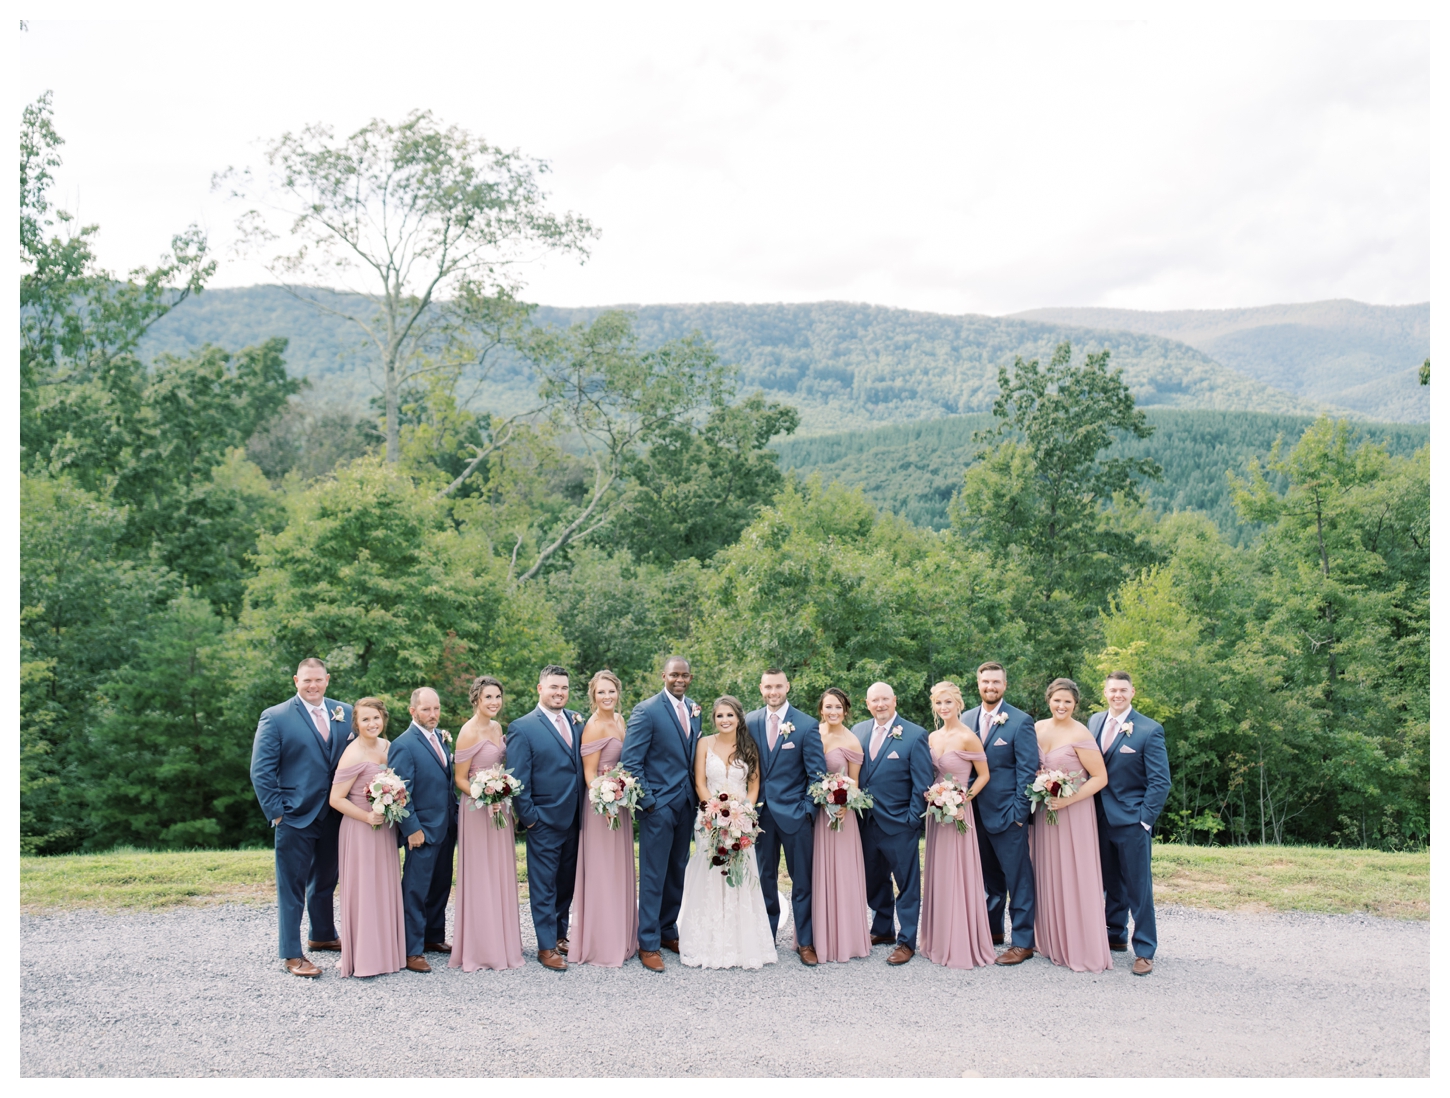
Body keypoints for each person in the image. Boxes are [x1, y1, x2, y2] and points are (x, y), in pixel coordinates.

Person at [249, 657, 352, 977]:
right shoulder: (276, 717)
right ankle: (292, 953)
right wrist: (277, 814)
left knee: (325, 879)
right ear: (296, 680)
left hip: (335, 813)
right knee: (291, 886)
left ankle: (321, 935)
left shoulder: (345, 713)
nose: (313, 685)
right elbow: (261, 771)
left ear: (327, 679)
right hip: (294, 816)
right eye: (307, 680)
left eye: (318, 680)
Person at [677, 696, 778, 969]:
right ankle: (709, 940)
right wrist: (715, 812)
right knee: (711, 873)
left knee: (741, 875)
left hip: (741, 820)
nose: (725, 720)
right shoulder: (704, 744)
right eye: (720, 716)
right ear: (714, 718)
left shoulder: (748, 745)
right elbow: (699, 782)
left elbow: (754, 785)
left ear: (738, 718)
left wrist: (742, 813)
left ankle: (741, 941)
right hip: (709, 819)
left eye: (730, 716)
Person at [620, 656, 703, 973]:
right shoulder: (647, 710)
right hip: (657, 807)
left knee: (676, 872)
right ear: (663, 676)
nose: (679, 679)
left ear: (690, 678)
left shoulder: (695, 709)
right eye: (674, 675)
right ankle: (649, 942)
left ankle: (668, 930)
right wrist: (649, 801)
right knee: (653, 876)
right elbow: (631, 762)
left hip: (686, 804)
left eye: (684, 675)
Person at [1087, 671, 1171, 976]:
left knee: (1138, 886)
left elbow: (1160, 782)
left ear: (1133, 692)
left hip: (1132, 820)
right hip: (1098, 818)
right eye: (1112, 690)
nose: (1117, 695)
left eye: (1123, 690)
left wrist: (1145, 821)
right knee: (1110, 882)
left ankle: (1145, 948)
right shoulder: (1094, 722)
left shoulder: (1150, 730)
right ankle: (1116, 935)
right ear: (1105, 692)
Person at [744, 668, 828, 964]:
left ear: (787, 686)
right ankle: (767, 938)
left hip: (795, 816)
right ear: (761, 688)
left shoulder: (805, 725)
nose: (773, 692)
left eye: (778, 686)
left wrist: (807, 809)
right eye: (768, 686)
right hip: (760, 817)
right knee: (764, 878)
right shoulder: (749, 722)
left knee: (801, 880)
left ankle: (805, 941)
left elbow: (817, 775)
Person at [505, 665, 585, 971]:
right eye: (554, 687)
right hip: (544, 822)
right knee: (543, 885)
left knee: (566, 883)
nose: (559, 693)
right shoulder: (522, 727)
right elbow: (517, 779)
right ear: (540, 689)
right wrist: (532, 819)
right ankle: (545, 945)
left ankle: (561, 935)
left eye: (564, 688)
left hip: (575, 819)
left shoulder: (578, 721)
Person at [1030, 677, 1111, 973]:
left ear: (1075, 704)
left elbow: (1100, 778)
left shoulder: (1081, 733)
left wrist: (1069, 799)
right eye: (1057, 700)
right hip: (1044, 811)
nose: (1061, 705)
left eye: (1067, 701)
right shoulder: (1037, 728)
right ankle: (1050, 940)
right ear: (1048, 700)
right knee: (1047, 871)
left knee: (1075, 873)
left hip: (1072, 812)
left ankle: (1081, 944)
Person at [964, 661, 1039, 965]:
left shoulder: (1021, 722)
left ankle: (1023, 942)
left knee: (1018, 879)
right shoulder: (965, 718)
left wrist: (1019, 813)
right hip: (973, 815)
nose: (990, 687)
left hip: (1008, 814)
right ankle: (993, 931)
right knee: (988, 879)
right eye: (985, 682)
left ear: (1005, 685)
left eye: (996, 682)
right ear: (978, 684)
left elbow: (1027, 772)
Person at [852, 681, 932, 965]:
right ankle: (883, 928)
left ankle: (906, 941)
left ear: (894, 700)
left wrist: (912, 820)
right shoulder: (857, 731)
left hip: (900, 824)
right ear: (867, 703)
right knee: (874, 881)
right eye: (875, 700)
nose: (880, 705)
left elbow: (922, 783)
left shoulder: (914, 734)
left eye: (885, 699)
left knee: (907, 885)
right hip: (866, 823)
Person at [449, 675, 525, 972]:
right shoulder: (468, 732)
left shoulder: (497, 728)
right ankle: (481, 948)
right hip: (477, 810)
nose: (494, 702)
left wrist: (501, 794)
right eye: (488, 697)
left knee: (500, 872)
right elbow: (459, 779)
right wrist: (485, 794)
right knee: (481, 874)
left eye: (497, 697)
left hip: (500, 807)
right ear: (476, 700)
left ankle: (503, 942)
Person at [918, 681, 995, 970]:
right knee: (939, 872)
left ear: (959, 704)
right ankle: (938, 939)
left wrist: (963, 801)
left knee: (959, 872)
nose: (943, 707)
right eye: (938, 703)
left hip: (960, 813)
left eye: (948, 702)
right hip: (938, 814)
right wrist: (935, 798)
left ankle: (962, 940)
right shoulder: (932, 737)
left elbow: (984, 775)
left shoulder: (968, 737)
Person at [329, 697, 407, 978]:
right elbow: (335, 799)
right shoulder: (353, 753)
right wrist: (366, 817)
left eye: (376, 718)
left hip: (384, 830)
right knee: (364, 891)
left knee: (384, 888)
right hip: (361, 830)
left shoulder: (388, 747)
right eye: (365, 719)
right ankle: (363, 956)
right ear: (357, 723)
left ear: (383, 719)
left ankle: (386, 953)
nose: (371, 723)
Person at [570, 669, 639, 967]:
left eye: (611, 691)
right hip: (601, 806)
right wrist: (604, 797)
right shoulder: (594, 726)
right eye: (601, 692)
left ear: (618, 692)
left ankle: (621, 937)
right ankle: (600, 943)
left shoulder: (621, 721)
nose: (607, 696)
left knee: (619, 868)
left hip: (620, 802)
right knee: (601, 870)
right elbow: (589, 774)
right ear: (593, 696)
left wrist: (621, 793)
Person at [389, 687, 458, 974]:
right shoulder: (404, 744)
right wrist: (411, 829)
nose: (433, 714)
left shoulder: (440, 739)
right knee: (416, 889)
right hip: (422, 830)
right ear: (412, 710)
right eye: (427, 709)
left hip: (446, 827)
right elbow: (400, 792)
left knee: (441, 885)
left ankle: (433, 937)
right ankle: (411, 949)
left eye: (436, 709)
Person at [810, 687, 871, 963]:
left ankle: (845, 939)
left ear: (846, 710)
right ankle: (817, 938)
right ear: (821, 709)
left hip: (840, 815)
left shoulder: (852, 741)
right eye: (828, 707)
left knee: (842, 873)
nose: (833, 712)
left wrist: (844, 803)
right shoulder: (812, 733)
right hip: (815, 814)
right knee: (816, 873)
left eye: (838, 707)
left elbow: (855, 781)